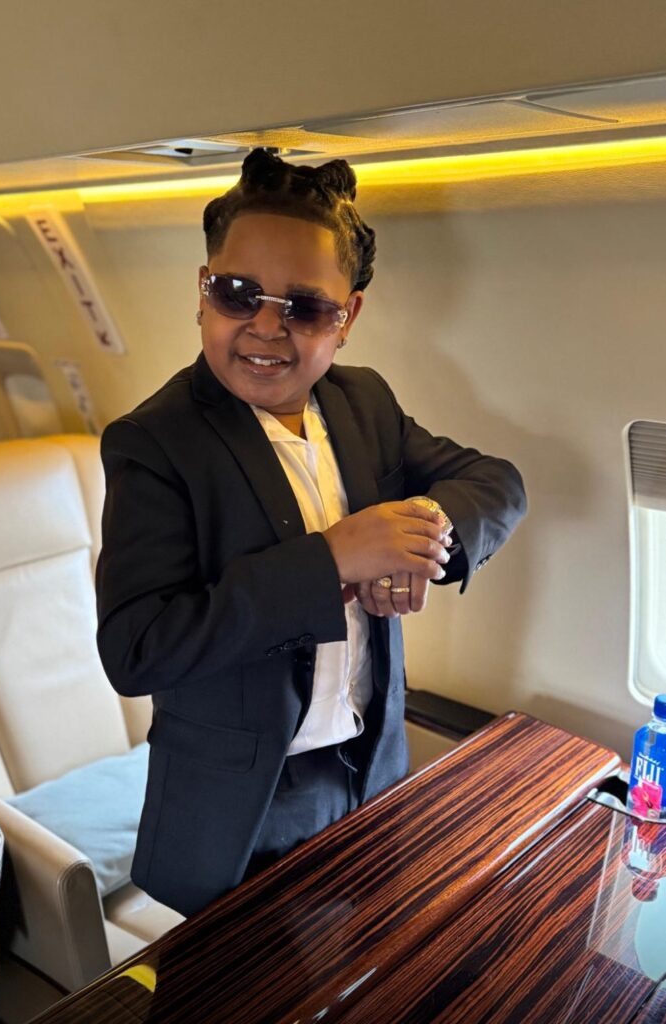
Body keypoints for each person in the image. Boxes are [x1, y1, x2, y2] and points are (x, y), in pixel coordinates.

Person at [95, 148, 527, 917]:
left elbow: (496, 482)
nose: (265, 326)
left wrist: (421, 533)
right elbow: (138, 649)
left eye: (304, 307)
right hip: (237, 809)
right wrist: (331, 560)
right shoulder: (155, 441)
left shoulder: (363, 404)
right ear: (203, 292)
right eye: (237, 294)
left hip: (370, 769)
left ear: (347, 317)